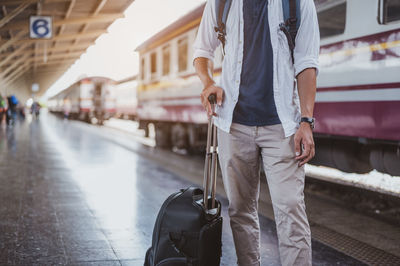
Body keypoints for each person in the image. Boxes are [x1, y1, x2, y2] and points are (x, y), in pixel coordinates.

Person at [193, 1, 320, 265]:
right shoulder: (220, 3)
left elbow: (306, 61)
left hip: (283, 126)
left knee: (290, 211)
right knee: (241, 211)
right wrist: (208, 83)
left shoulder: (297, 3)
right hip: (233, 124)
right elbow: (202, 49)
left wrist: (306, 120)